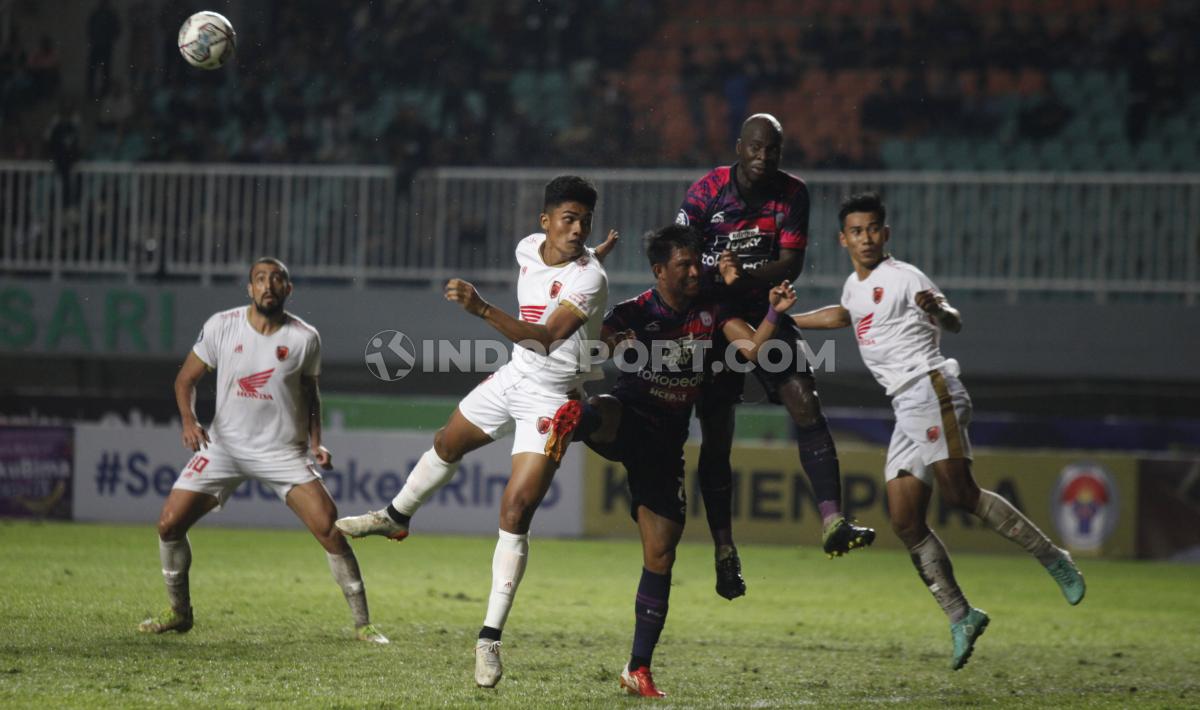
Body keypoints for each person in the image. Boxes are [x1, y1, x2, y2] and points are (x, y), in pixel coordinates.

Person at [335, 176, 614, 688]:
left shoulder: (591, 278)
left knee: (515, 510)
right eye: (569, 220)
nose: (577, 230)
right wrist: (589, 250)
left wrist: (482, 308)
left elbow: (548, 337)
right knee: (446, 443)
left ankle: (488, 638)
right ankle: (395, 518)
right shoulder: (528, 249)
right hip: (511, 378)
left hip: (552, 399)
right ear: (545, 223)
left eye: (585, 223)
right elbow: (555, 269)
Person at [789, 192, 1086, 670]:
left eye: (873, 229)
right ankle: (961, 614)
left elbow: (953, 318)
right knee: (905, 520)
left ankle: (1055, 558)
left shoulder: (905, 278)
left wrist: (940, 311)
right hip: (906, 406)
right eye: (857, 231)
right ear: (844, 238)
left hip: (931, 389)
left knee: (961, 494)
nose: (866, 238)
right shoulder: (853, 285)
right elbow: (845, 315)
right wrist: (787, 321)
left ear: (885, 234)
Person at [573, 224, 796, 697]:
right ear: (659, 271)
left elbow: (755, 348)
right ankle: (562, 427)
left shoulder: (713, 313)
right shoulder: (632, 312)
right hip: (628, 419)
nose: (696, 271)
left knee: (661, 553)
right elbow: (586, 355)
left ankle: (637, 668)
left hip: (664, 444)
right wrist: (604, 342)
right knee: (600, 408)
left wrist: (774, 311)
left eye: (697, 262)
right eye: (684, 265)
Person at [139, 257, 388, 645]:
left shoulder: (305, 338)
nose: (267, 285)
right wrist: (189, 422)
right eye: (259, 279)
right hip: (224, 447)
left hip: (282, 452)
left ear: (288, 289)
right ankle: (179, 613)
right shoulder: (221, 325)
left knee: (329, 527)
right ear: (249, 289)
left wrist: (316, 442)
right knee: (169, 524)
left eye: (276, 279)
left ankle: (363, 624)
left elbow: (311, 395)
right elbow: (185, 379)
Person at [677, 113, 874, 600]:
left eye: (773, 151)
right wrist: (716, 275)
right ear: (739, 146)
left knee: (805, 400)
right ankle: (725, 552)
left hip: (764, 307)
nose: (764, 158)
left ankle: (832, 521)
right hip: (713, 317)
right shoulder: (706, 191)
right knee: (717, 434)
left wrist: (740, 276)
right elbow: (679, 255)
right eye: (756, 149)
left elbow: (791, 263)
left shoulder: (792, 193)